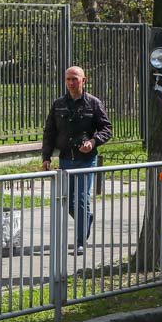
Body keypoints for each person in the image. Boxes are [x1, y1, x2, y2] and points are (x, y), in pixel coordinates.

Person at [42, 66, 112, 255]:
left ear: (84, 80)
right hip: (66, 159)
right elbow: (49, 132)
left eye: (75, 79)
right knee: (70, 202)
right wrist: (46, 156)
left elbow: (107, 129)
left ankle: (80, 242)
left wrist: (92, 142)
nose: (71, 83)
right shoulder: (58, 104)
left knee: (81, 199)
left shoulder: (93, 104)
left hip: (86, 160)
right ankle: (86, 219)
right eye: (68, 79)